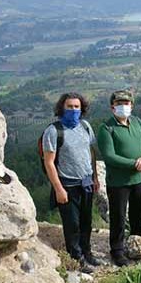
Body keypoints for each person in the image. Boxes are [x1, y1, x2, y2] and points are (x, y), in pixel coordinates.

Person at [42, 92, 101, 273]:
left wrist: (95, 177)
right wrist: (58, 188)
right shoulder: (53, 131)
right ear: (62, 108)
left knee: (86, 221)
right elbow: (49, 162)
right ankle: (76, 259)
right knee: (72, 224)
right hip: (67, 184)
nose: (74, 110)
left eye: (77, 107)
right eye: (70, 106)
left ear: (82, 108)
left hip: (86, 182)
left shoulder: (85, 126)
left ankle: (87, 252)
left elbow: (90, 153)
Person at [97, 90, 141, 267]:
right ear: (112, 107)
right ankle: (117, 251)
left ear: (132, 105)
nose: (123, 106)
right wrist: (134, 163)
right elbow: (109, 156)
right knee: (118, 216)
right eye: (119, 103)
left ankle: (138, 242)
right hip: (118, 182)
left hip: (138, 179)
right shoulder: (106, 128)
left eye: (126, 103)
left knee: (139, 212)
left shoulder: (137, 122)